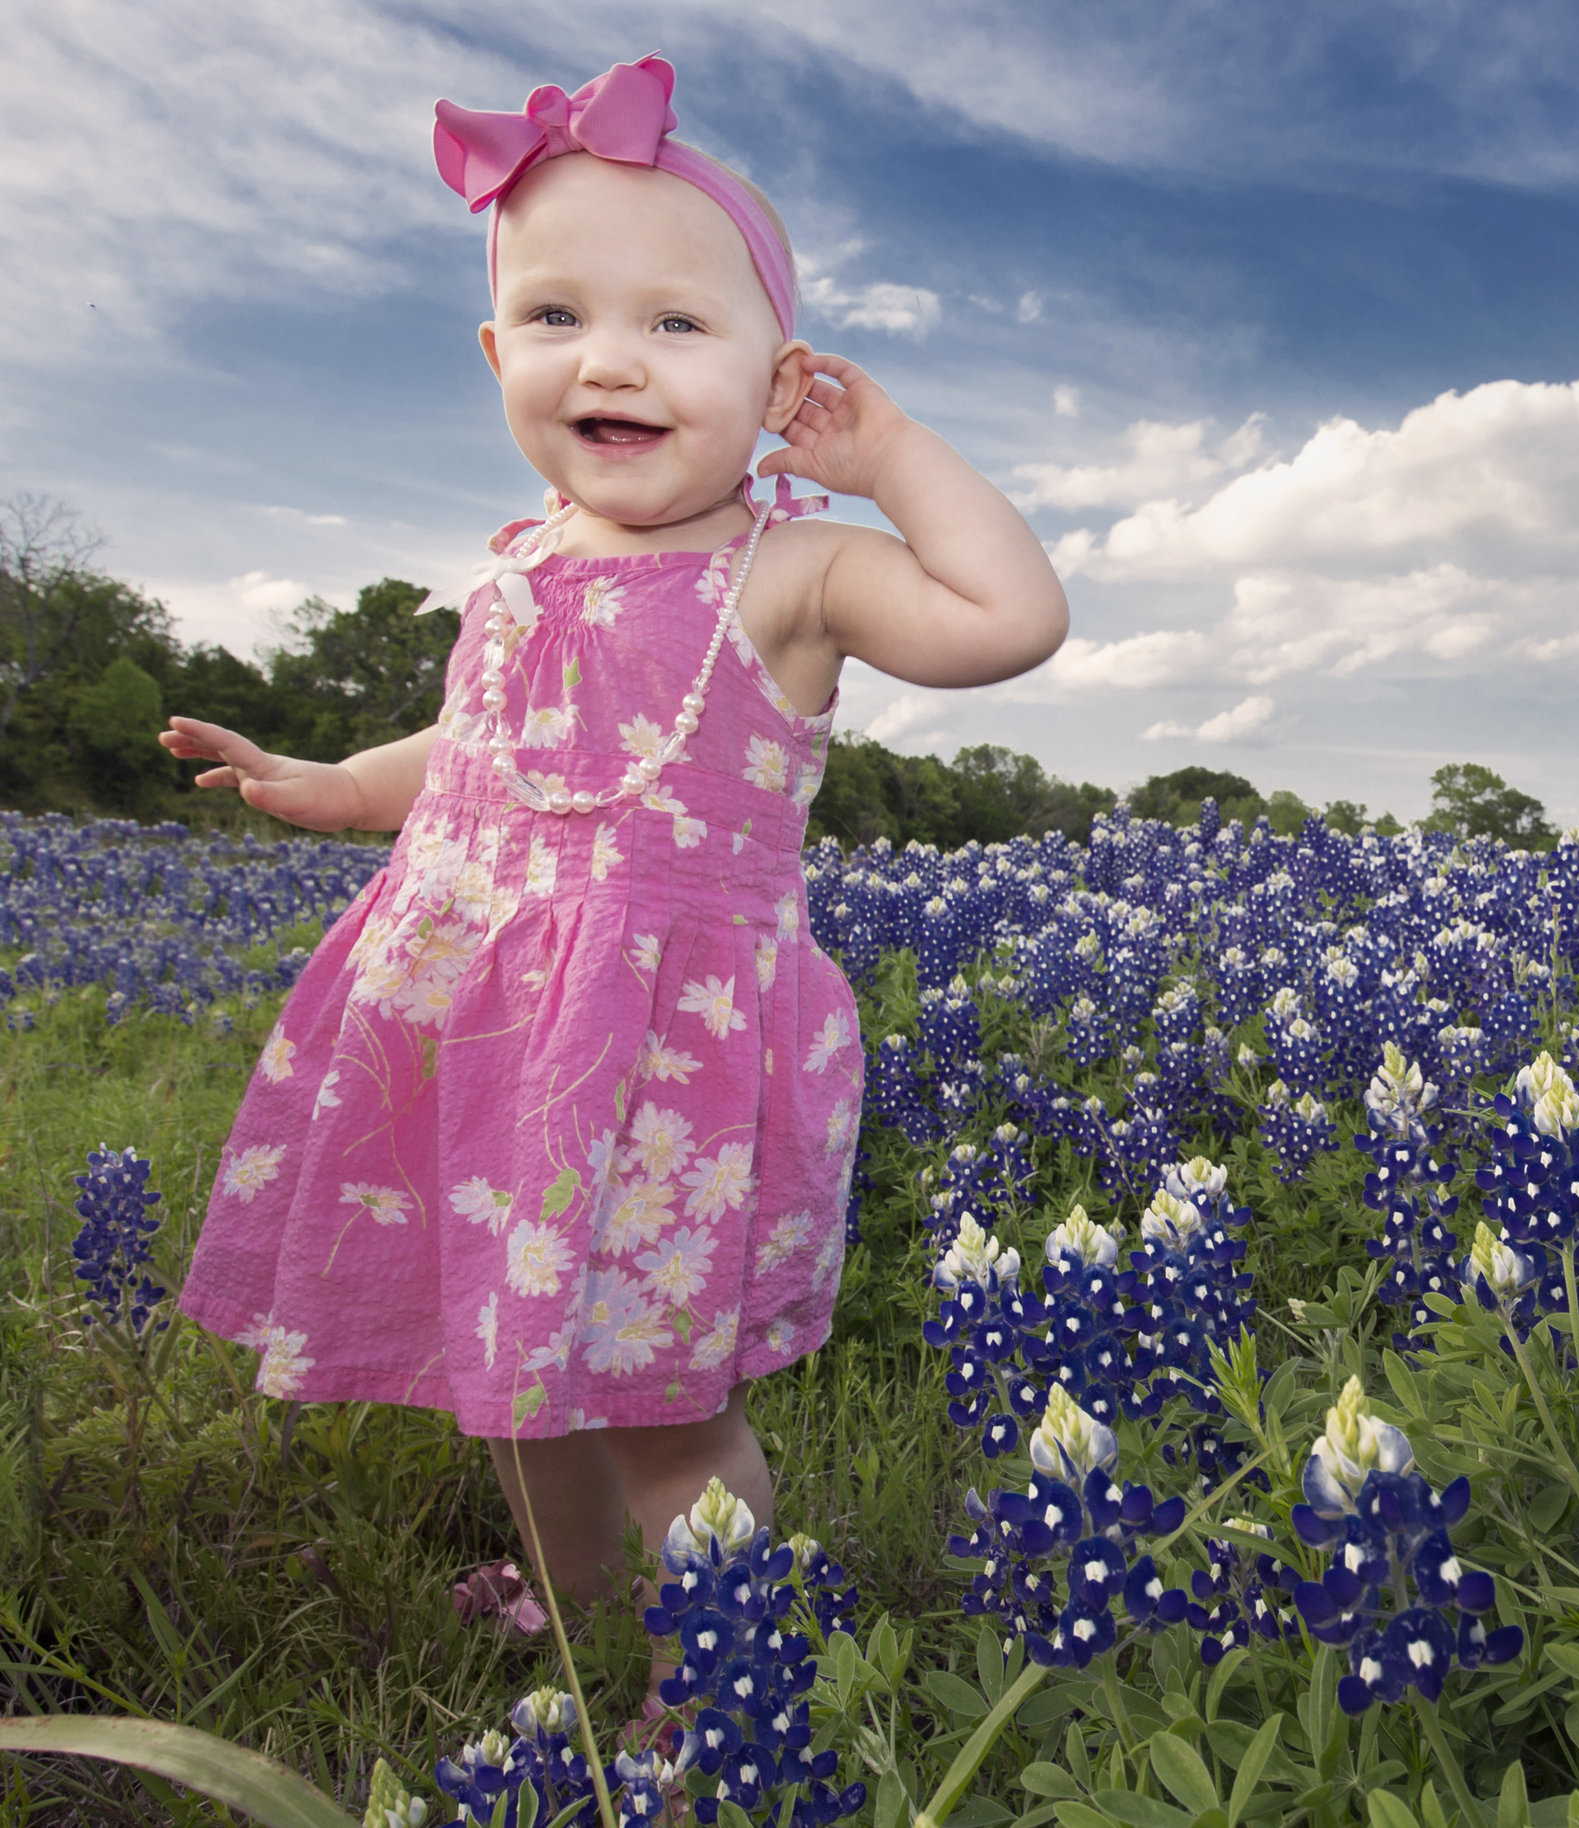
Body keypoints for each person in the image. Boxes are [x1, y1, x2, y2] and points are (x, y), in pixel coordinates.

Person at [160, 55, 1067, 1703]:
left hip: (663, 1077)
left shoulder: (794, 570)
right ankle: (584, 1645)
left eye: (675, 324)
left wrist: (897, 457)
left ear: (781, 378)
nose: (613, 360)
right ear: (500, 357)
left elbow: (1009, 620)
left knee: (662, 1410)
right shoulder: (511, 571)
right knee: (514, 1384)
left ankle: (721, 1686)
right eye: (562, 316)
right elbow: (472, 749)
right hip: (479, 1039)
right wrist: (341, 787)